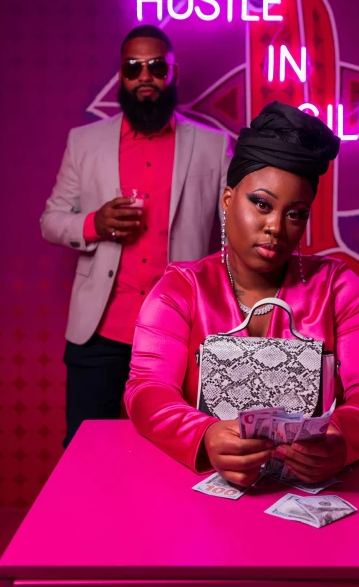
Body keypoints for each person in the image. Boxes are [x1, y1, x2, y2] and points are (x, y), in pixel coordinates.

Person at [125, 101, 359, 485]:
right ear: (227, 200)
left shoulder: (342, 290)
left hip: (307, 493)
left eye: (295, 213)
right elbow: (147, 389)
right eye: (262, 204)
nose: (275, 227)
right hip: (198, 491)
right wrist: (202, 435)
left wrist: (340, 439)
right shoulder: (178, 290)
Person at [41, 25, 231, 447]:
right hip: (101, 331)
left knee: (180, 453)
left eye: (156, 66)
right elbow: (51, 220)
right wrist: (94, 223)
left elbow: (231, 236)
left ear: (173, 73)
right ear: (121, 77)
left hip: (181, 332)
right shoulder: (84, 143)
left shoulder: (213, 147)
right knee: (86, 455)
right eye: (133, 68)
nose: (145, 76)